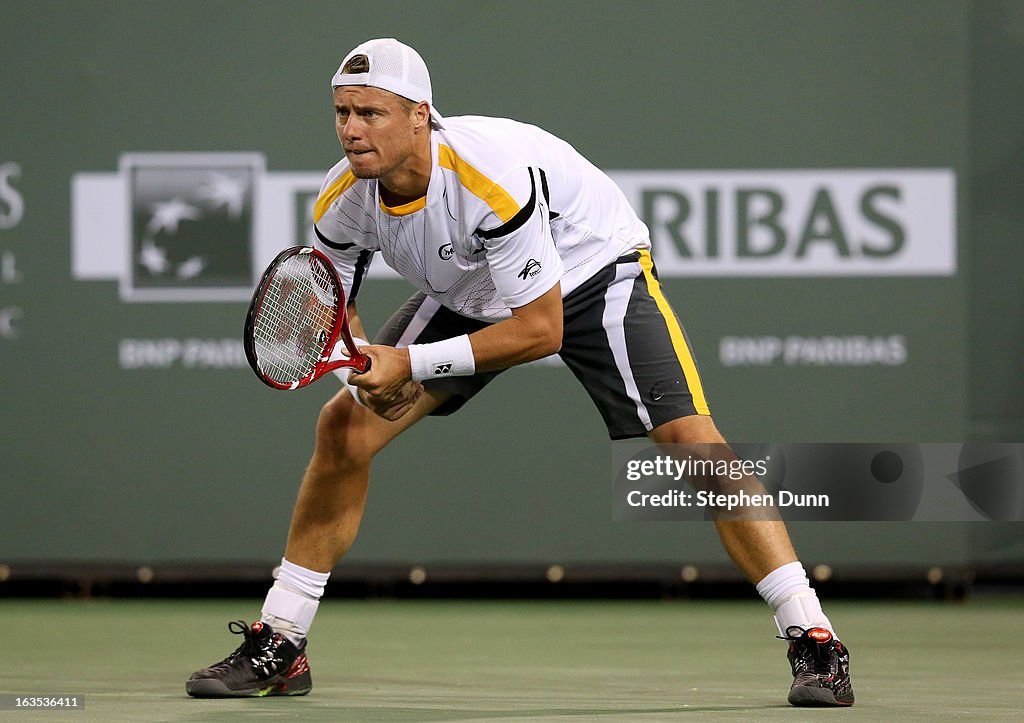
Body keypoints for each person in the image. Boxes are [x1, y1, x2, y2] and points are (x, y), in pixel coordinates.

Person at [186, 37, 854, 707]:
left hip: (591, 270)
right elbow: (340, 302)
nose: (353, 130)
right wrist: (363, 367)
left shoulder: (486, 177)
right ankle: (282, 640)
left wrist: (411, 363)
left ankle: (815, 640)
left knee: (691, 439)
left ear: (421, 115)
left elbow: (541, 329)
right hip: (471, 288)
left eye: (372, 112)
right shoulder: (341, 199)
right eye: (342, 112)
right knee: (343, 430)